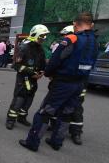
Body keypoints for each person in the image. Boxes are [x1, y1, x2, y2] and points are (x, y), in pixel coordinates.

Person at [19, 12, 97, 152]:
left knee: (45, 112)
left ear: (75, 24)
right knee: (66, 112)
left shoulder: (71, 39)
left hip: (63, 83)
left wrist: (48, 73)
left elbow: (56, 59)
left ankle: (32, 142)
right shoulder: (94, 42)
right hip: (80, 84)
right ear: (91, 24)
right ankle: (56, 142)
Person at [5, 25, 49, 130]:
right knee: (19, 99)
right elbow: (16, 65)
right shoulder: (24, 47)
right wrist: (31, 72)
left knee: (29, 100)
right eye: (42, 36)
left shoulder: (40, 49)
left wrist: (41, 72)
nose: (43, 39)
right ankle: (10, 119)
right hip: (23, 79)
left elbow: (42, 63)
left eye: (44, 37)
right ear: (35, 35)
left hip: (34, 80)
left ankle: (22, 117)